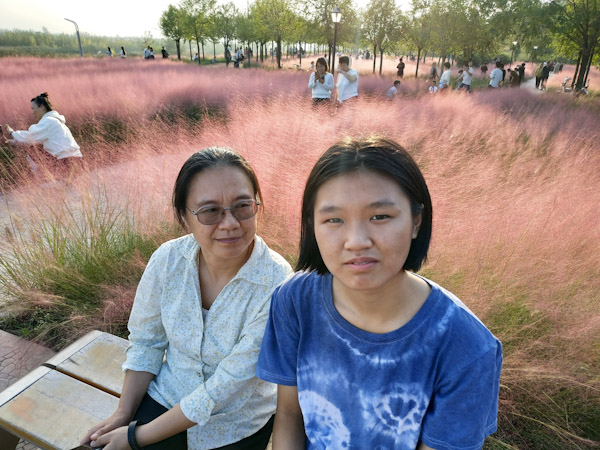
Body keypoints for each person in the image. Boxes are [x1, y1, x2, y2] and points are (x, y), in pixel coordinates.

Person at [257, 136, 502, 449]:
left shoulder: (465, 346)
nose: (357, 241)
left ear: (416, 221)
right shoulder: (293, 300)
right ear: (312, 226)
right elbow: (290, 414)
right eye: (334, 219)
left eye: (380, 217)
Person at [82, 147, 292, 450]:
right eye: (210, 211)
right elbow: (147, 342)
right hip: (167, 396)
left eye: (242, 206)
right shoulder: (168, 260)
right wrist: (123, 414)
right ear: (185, 217)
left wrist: (134, 437)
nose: (230, 223)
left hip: (234, 422)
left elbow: (226, 387)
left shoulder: (277, 282)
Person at [4, 92, 82, 164]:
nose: (32, 112)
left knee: (32, 152)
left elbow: (31, 136)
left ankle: (42, 178)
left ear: (41, 107)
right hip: (76, 160)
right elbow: (36, 140)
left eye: (33, 108)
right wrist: (14, 141)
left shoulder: (49, 121)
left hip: (67, 161)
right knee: (35, 148)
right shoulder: (56, 121)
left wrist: (12, 132)